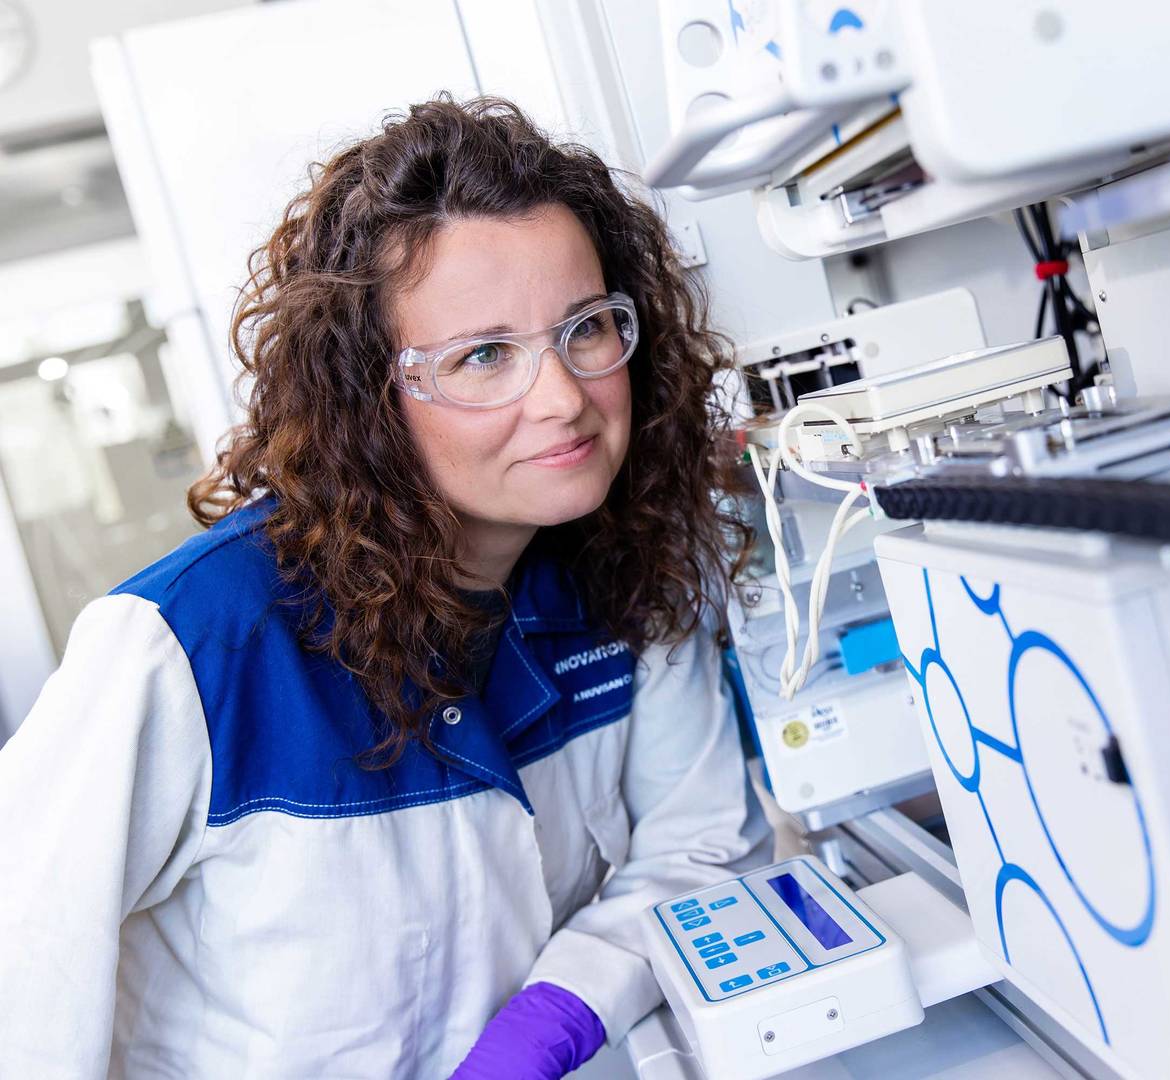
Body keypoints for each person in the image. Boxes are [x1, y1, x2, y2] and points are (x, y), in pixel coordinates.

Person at [0, 96, 770, 1078]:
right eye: (484, 356)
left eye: (587, 327)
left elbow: (693, 851)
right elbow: (20, 993)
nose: (564, 395)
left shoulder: (630, 568)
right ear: (370, 398)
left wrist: (544, 1030)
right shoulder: (190, 649)